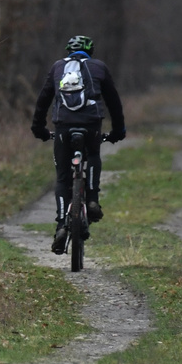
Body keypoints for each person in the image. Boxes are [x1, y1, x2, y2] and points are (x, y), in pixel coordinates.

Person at [30, 35, 126, 254]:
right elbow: (114, 101)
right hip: (91, 124)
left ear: (68, 52)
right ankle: (92, 200)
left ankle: (62, 223)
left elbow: (43, 99)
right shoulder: (99, 67)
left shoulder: (57, 67)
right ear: (90, 52)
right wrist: (118, 131)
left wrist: (39, 129)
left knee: (63, 177)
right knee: (92, 155)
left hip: (63, 125)